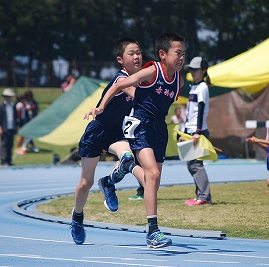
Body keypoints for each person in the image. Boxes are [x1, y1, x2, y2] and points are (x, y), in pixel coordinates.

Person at [85, 32, 186, 248]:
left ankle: (111, 180)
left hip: (159, 127)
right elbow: (120, 84)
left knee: (152, 183)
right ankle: (153, 231)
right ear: (163, 54)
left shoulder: (179, 79)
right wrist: (101, 106)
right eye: (178, 53)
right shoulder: (152, 71)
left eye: (183, 54)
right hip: (140, 124)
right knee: (153, 173)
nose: (181, 58)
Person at [70, 37, 145, 246]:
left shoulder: (140, 78)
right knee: (85, 183)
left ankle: (109, 182)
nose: (137, 56)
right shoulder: (123, 79)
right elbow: (135, 93)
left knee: (128, 158)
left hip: (117, 132)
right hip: (97, 130)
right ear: (121, 59)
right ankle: (77, 217)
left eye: (139, 52)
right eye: (132, 53)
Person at [181, 56, 212, 206]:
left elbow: (200, 110)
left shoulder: (202, 87)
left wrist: (197, 132)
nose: (192, 72)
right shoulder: (194, 86)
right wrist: (185, 131)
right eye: (191, 69)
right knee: (192, 164)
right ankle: (200, 195)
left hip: (197, 131)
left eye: (195, 69)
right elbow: (190, 112)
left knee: (196, 165)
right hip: (191, 130)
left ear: (204, 70)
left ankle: (205, 197)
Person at [0, 88, 18, 166]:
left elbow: (15, 116)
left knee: (10, 144)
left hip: (11, 127)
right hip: (4, 127)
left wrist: (16, 126)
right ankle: (4, 160)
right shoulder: (1, 106)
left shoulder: (13, 105)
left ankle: (9, 160)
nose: (7, 98)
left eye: (9, 96)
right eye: (6, 96)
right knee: (4, 144)